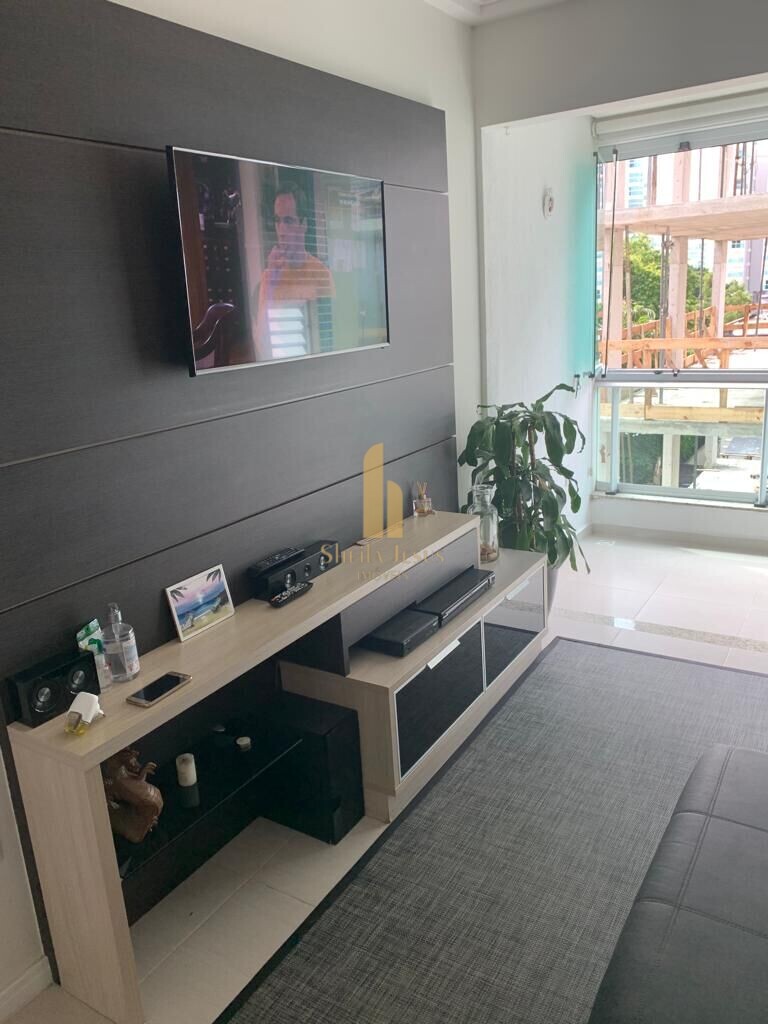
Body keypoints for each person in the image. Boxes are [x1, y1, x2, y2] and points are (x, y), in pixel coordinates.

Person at [254, 182, 334, 358]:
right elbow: (261, 346)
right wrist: (271, 283)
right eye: (277, 221)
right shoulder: (269, 276)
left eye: (289, 221)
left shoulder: (321, 274)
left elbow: (328, 340)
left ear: (304, 224)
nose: (282, 230)